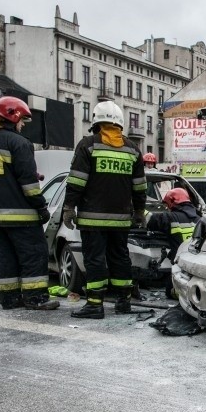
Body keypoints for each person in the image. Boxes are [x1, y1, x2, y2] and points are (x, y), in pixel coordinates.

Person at [62, 101, 147, 319]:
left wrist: (69, 207)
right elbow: (140, 187)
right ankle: (123, 302)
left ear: (97, 122)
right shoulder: (133, 150)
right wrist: (139, 212)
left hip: (92, 220)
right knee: (120, 257)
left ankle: (94, 304)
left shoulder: (88, 145)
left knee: (95, 259)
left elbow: (76, 181)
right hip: (120, 221)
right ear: (119, 123)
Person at [0, 96, 59, 310]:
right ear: (13, 116)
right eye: (22, 120)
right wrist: (41, 207)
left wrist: (31, 174)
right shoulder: (19, 143)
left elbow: (1, 176)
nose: (22, 124)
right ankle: (36, 298)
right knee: (34, 254)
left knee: (6, 258)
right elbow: (28, 184)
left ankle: (9, 299)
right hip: (21, 215)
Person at [147, 187, 200, 299]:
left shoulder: (171, 218)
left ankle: (183, 295)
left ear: (173, 202)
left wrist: (135, 208)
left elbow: (150, 220)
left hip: (181, 268)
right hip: (197, 269)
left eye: (167, 205)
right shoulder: (200, 220)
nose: (167, 208)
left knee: (170, 291)